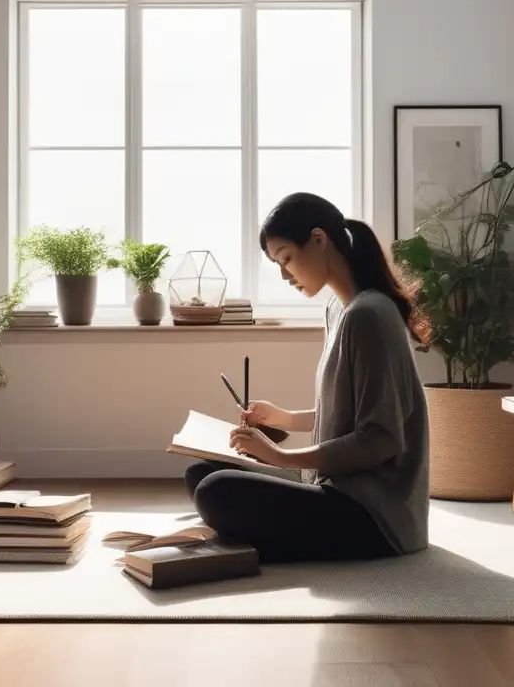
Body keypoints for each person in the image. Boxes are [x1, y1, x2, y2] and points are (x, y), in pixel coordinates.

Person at [184, 192, 432, 563]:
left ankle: (257, 536)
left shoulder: (370, 315)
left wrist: (281, 457)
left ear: (318, 240)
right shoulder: (339, 309)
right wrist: (280, 418)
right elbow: (347, 417)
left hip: (375, 515)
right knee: (201, 474)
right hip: (335, 487)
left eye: (286, 258)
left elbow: (379, 439)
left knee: (216, 491)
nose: (284, 275)